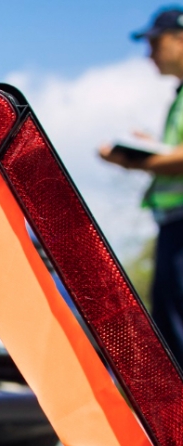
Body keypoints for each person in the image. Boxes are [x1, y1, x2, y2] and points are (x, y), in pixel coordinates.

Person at [101, 6, 183, 365]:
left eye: (155, 42)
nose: (149, 53)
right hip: (173, 225)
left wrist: (134, 160)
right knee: (170, 323)